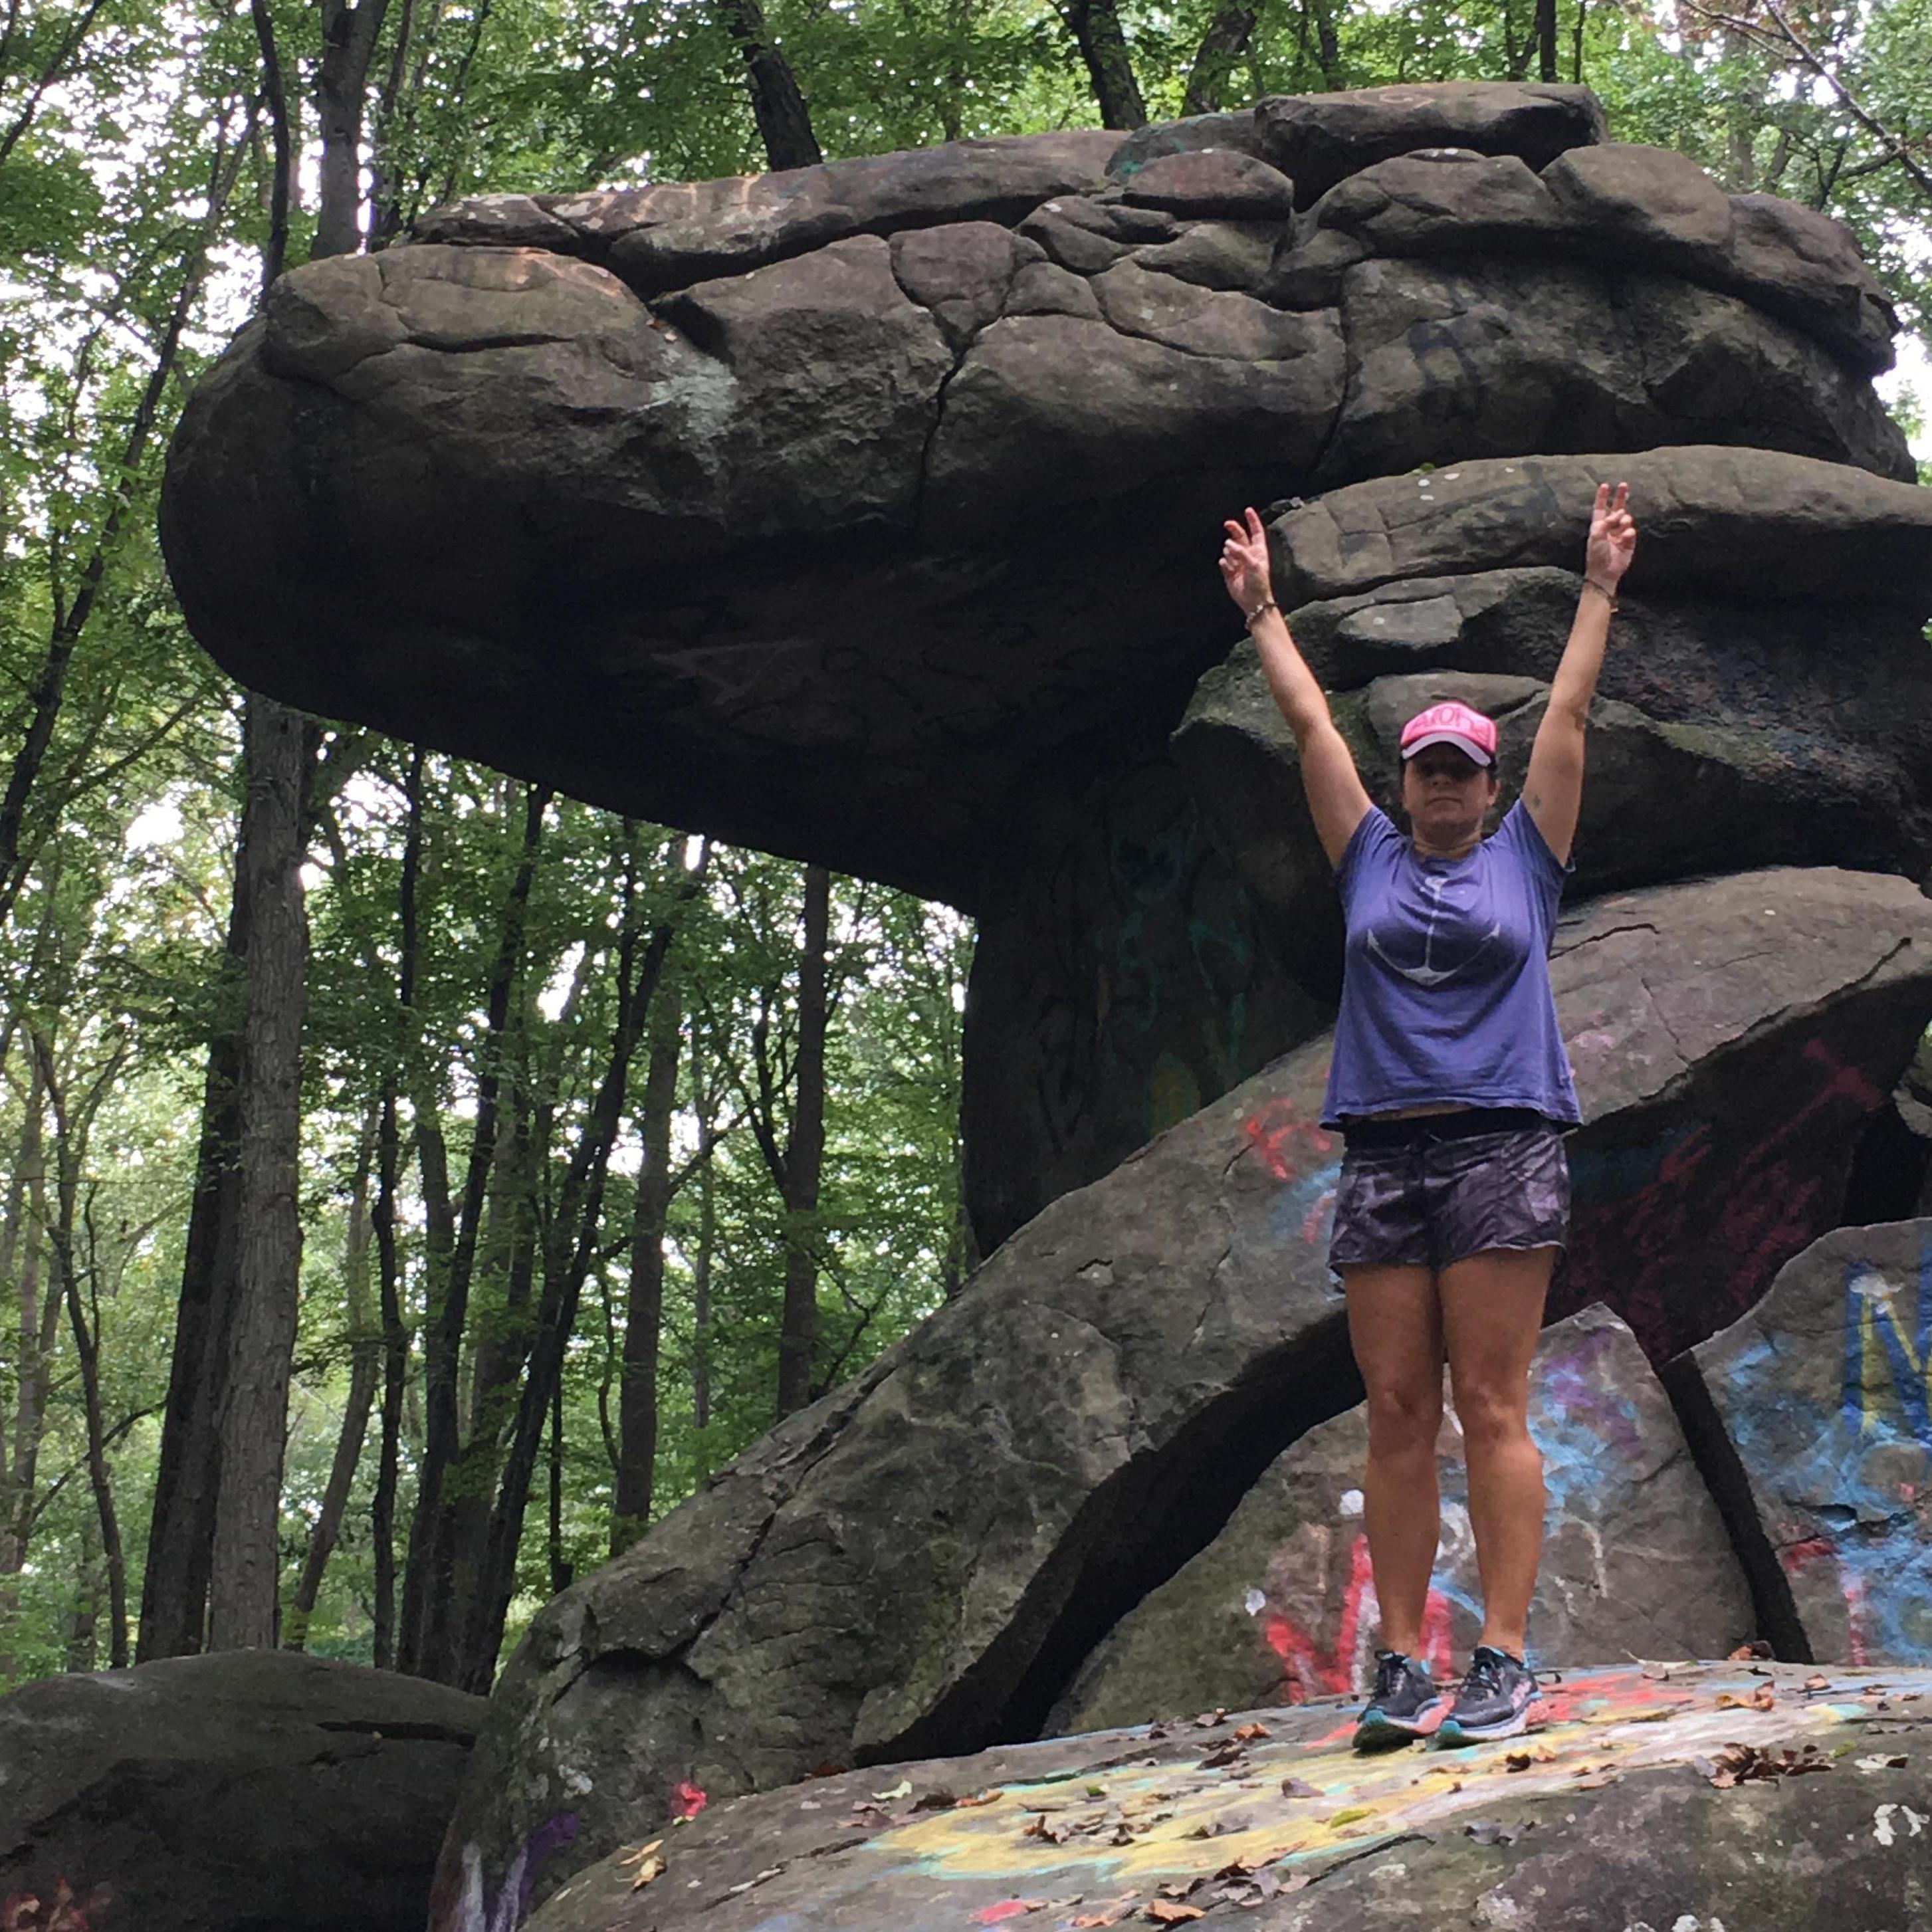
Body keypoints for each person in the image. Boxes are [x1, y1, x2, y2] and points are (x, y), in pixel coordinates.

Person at [1218, 483, 1638, 1747]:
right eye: (1426, 768)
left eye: (1462, 768)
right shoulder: (1367, 855)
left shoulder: (1528, 854)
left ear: (1489, 779)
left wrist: (1600, 589)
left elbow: (1569, 711)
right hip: (1388, 1153)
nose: (1443, 785)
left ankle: (1502, 1660)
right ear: (1403, 782)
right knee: (1398, 1407)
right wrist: (1265, 613)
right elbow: (1306, 728)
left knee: (1493, 1403)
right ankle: (1403, 1665)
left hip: (1506, 1141)